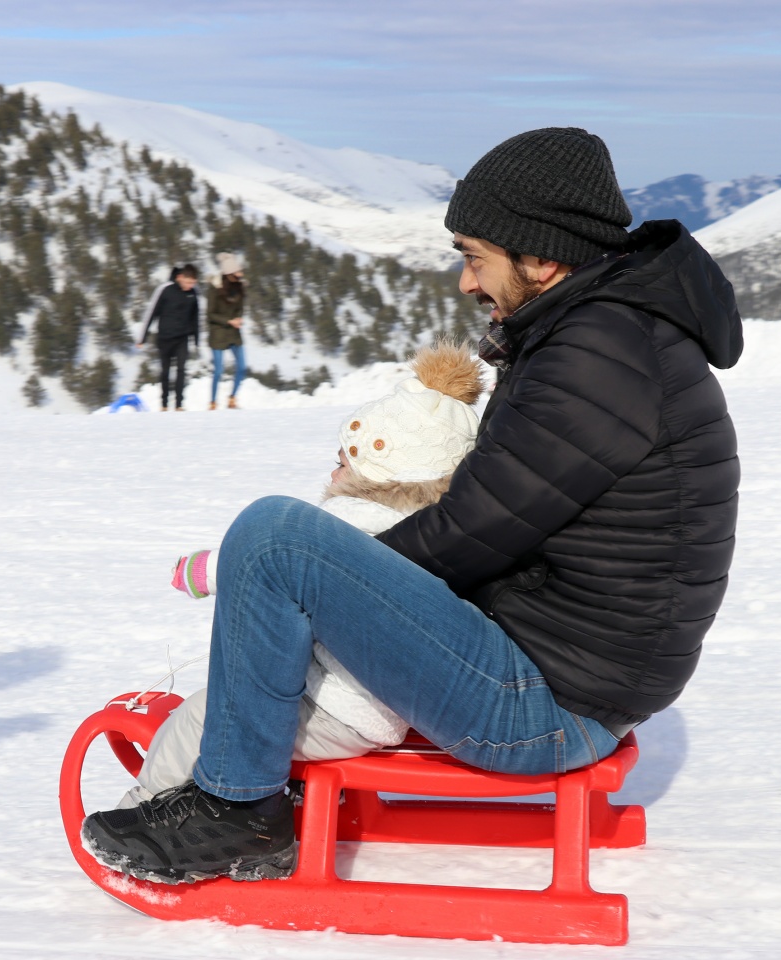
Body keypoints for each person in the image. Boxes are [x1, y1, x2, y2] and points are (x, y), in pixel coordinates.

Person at [81, 127, 743, 886]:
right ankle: (245, 775)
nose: (466, 282)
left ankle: (236, 813)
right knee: (299, 555)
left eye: (475, 256)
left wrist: (328, 594)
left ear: (544, 257)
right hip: (567, 676)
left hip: (543, 708)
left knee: (274, 539)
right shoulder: (606, 333)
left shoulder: (597, 357)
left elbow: (468, 531)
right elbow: (495, 515)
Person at [114, 342, 484, 818]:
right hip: (382, 705)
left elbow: (276, 566)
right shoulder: (435, 525)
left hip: (337, 707)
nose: (333, 471)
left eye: (343, 460)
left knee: (204, 717)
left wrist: (206, 569)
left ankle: (139, 813)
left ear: (378, 468)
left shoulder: (355, 521)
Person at [137, 264, 200, 412]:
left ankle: (179, 404)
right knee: (165, 372)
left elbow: (195, 317)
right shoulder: (165, 290)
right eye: (188, 282)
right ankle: (164, 405)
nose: (190, 286)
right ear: (180, 278)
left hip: (182, 339)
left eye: (193, 283)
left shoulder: (193, 293)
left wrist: (196, 339)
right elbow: (151, 313)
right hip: (165, 338)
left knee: (181, 370)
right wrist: (142, 338)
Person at [205, 252, 248, 410]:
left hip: (234, 334)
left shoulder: (240, 287)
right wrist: (228, 321)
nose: (241, 274)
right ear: (229, 274)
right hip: (218, 334)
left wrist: (238, 318)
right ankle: (213, 402)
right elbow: (210, 314)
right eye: (238, 272)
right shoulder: (214, 289)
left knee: (242, 367)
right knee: (218, 371)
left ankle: (232, 398)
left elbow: (240, 309)